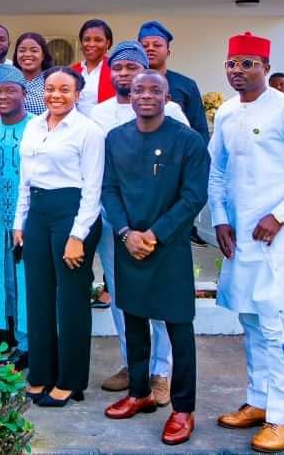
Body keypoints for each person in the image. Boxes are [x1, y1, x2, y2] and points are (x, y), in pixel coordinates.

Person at [209, 32, 284, 453]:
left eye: (247, 64)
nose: (238, 72)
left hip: (276, 238)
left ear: (265, 65)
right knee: (248, 319)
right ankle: (259, 401)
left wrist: (279, 215)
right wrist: (221, 221)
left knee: (275, 324)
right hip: (239, 237)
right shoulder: (226, 112)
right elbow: (217, 172)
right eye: (232, 64)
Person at [101, 71, 209, 446]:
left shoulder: (188, 141)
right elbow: (109, 190)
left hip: (170, 247)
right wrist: (126, 234)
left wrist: (155, 234)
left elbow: (194, 196)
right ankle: (139, 391)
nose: (146, 96)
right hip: (128, 245)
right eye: (138, 90)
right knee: (133, 320)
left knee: (179, 326)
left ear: (168, 97)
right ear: (129, 96)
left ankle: (183, 408)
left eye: (155, 90)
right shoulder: (115, 139)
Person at [90, 41, 189, 398]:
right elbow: (99, 174)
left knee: (159, 299)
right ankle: (134, 363)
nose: (124, 74)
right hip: (115, 224)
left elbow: (184, 173)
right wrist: (121, 225)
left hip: (159, 226)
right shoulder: (98, 114)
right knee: (122, 297)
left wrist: (156, 229)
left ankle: (161, 372)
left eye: (132, 68)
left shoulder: (172, 110)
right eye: (117, 68)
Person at [14, 66, 105, 407]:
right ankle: (40, 373)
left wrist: (78, 235)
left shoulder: (88, 131)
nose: (55, 95)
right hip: (37, 212)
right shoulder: (34, 126)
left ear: (77, 94)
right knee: (37, 297)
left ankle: (70, 380)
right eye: (50, 88)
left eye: (64, 89)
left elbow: (93, 187)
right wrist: (18, 222)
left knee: (70, 301)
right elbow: (26, 177)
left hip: (73, 213)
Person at [0, 64, 33, 371]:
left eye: (10, 90)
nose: (3, 96)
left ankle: (31, 343)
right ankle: (15, 341)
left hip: (28, 220)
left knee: (28, 280)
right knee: (3, 281)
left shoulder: (38, 128)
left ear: (24, 93)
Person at [138, 20, 210, 144]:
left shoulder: (186, 85)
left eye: (157, 45)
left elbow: (199, 130)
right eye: (145, 46)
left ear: (168, 52)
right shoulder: (131, 86)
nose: (150, 49)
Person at [72, 19, 115, 114]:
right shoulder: (72, 71)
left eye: (98, 40)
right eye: (87, 39)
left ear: (107, 43)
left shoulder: (115, 69)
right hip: (77, 127)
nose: (91, 44)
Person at [12, 32, 53, 116]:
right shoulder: (9, 80)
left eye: (34, 50)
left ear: (43, 55)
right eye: (22, 50)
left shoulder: (52, 80)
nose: (27, 54)